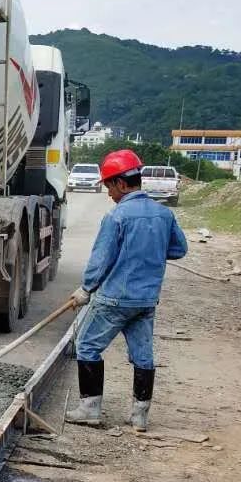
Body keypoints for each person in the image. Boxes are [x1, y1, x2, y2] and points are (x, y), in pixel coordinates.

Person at [66, 148, 187, 431]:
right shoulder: (163, 214)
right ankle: (139, 417)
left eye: (109, 186)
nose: (108, 193)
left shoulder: (117, 216)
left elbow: (101, 260)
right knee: (143, 356)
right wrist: (151, 250)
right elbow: (179, 249)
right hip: (146, 300)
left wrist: (86, 289)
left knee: (87, 346)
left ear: (121, 183)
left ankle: (90, 409)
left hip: (114, 300)